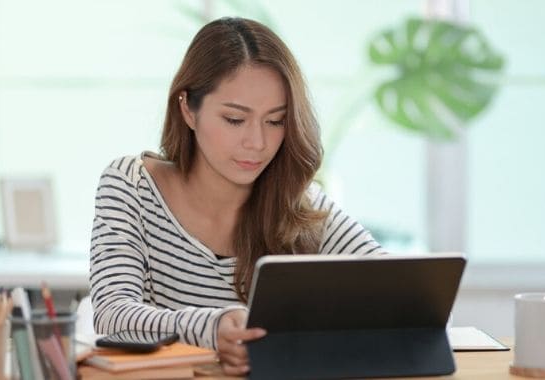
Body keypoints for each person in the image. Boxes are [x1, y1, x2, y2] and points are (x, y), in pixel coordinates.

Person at [89, 17, 384, 375]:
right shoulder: (130, 185)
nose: (257, 143)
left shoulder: (299, 202)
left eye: (275, 121)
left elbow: (396, 294)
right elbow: (112, 315)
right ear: (187, 109)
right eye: (234, 119)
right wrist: (215, 328)